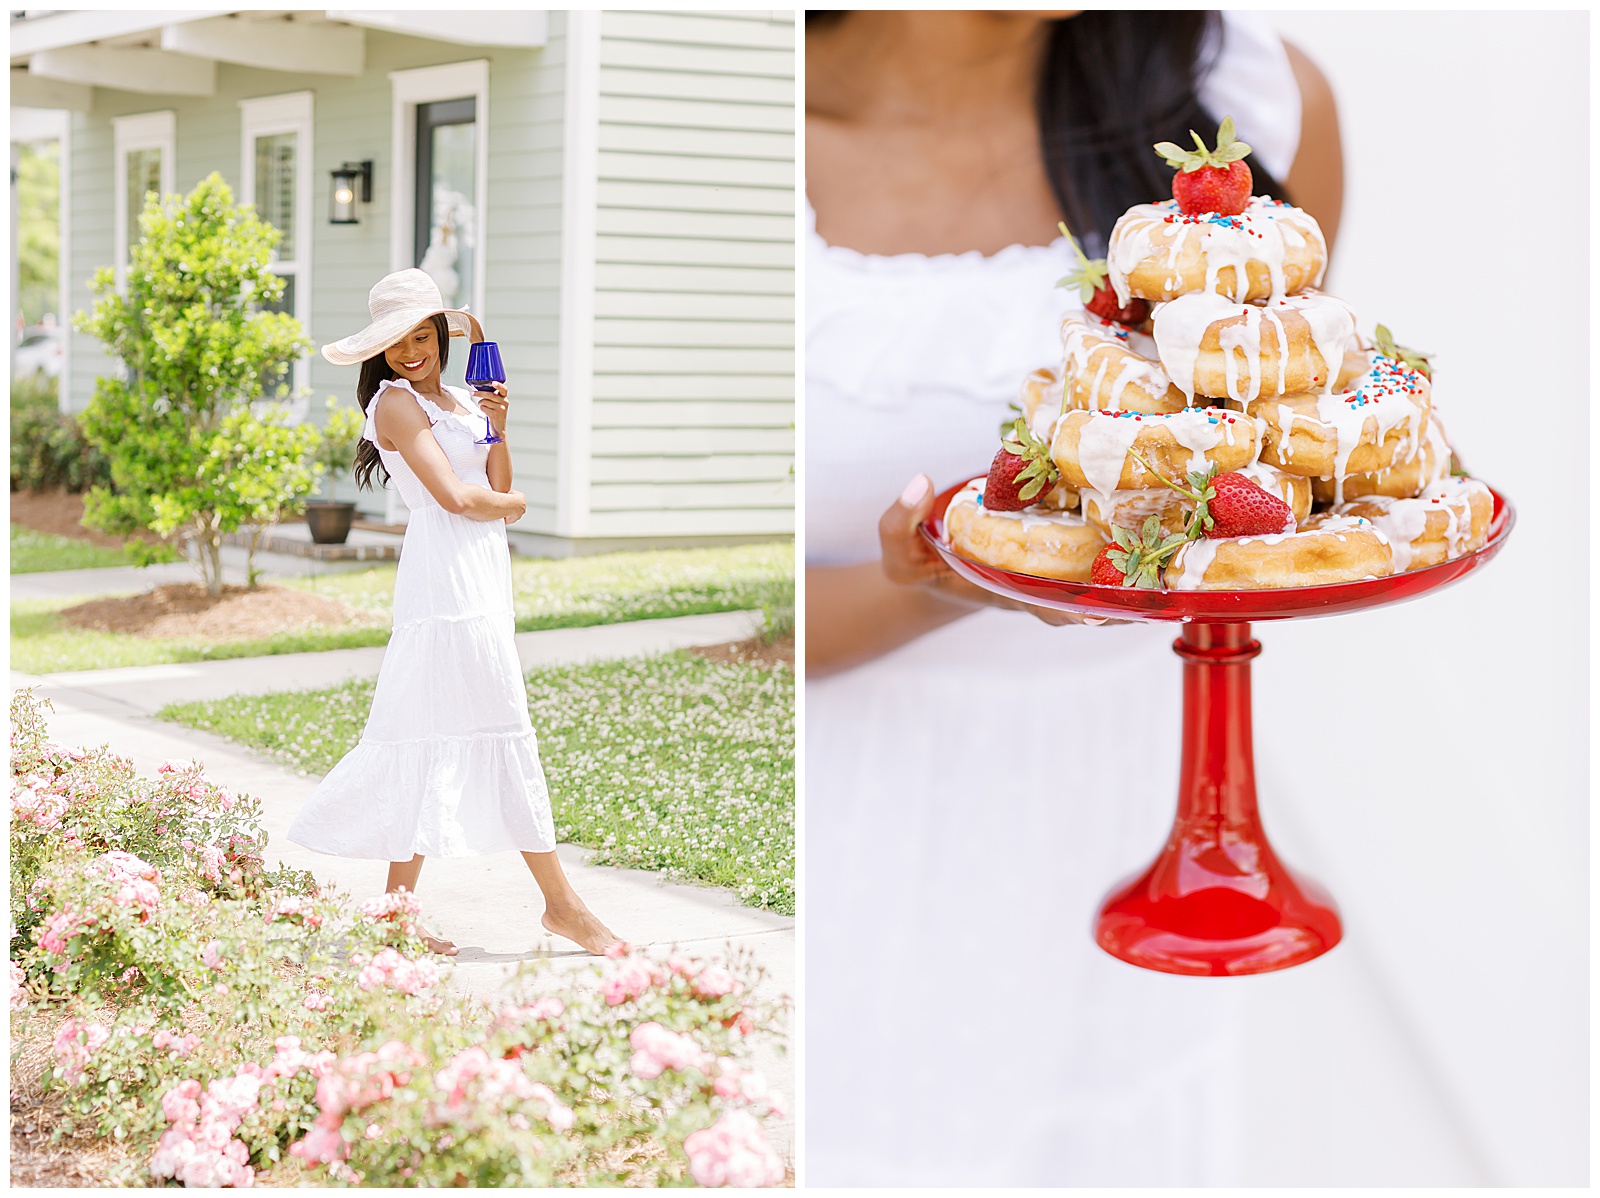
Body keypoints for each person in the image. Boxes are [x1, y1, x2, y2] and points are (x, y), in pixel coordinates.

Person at [804, 11, 1341, 1185]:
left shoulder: (1250, 100)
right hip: (829, 836)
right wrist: (940, 584)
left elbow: (1278, 470)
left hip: (1131, 840)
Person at [286, 268, 619, 958]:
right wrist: (516, 506)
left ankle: (395, 917)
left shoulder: (463, 400)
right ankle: (563, 905)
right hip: (445, 578)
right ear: (380, 351)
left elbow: (492, 479)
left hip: (480, 572)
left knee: (433, 724)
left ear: (438, 333)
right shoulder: (394, 405)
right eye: (396, 342)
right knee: (496, 721)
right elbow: (460, 501)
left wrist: (497, 427)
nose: (410, 351)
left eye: (420, 335)